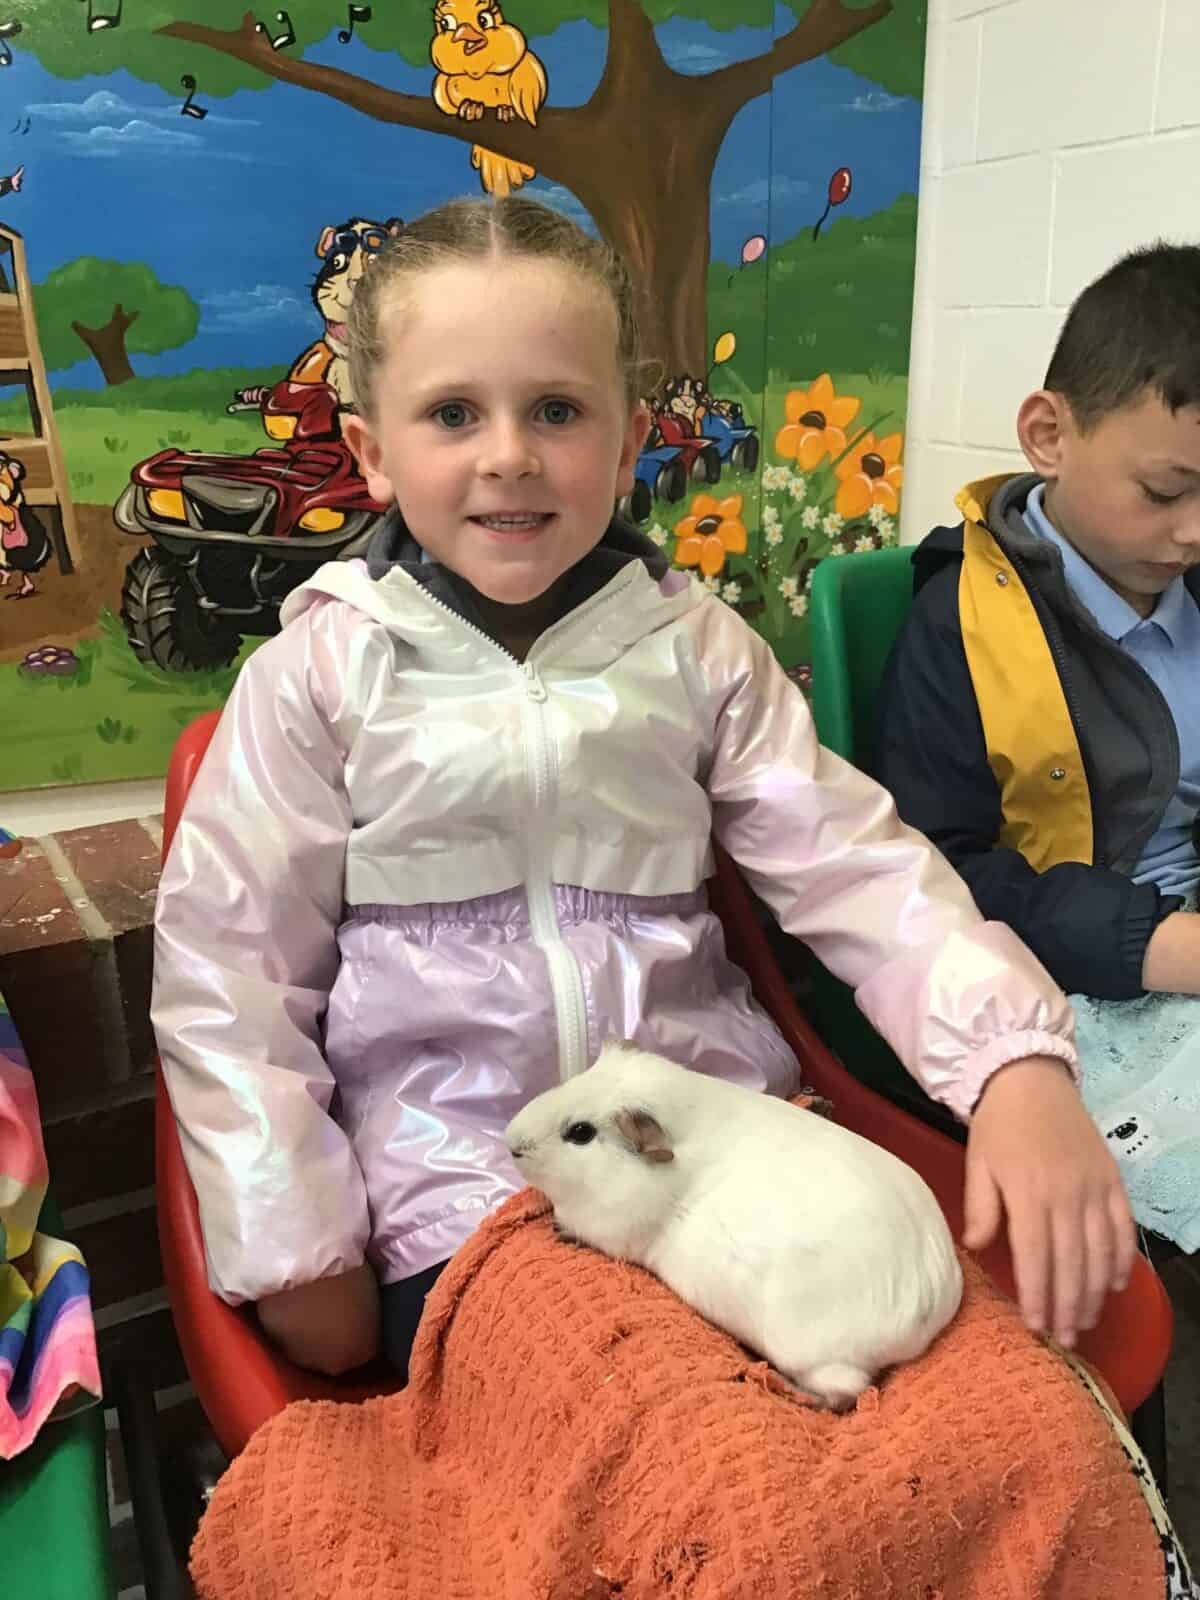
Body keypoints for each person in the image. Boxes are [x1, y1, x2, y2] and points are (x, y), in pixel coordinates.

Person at [151, 196, 1134, 1389]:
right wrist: (296, 1239)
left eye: (557, 411)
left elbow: (859, 869)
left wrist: (1014, 1061)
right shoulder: (314, 676)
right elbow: (230, 974)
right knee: (667, 1425)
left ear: (627, 446)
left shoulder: (700, 653)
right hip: (464, 1191)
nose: (509, 454)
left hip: (722, 1153)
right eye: (453, 413)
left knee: (996, 1406)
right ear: (371, 451)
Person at [876, 243, 1200, 1251]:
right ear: (1049, 435)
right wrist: (1160, 945)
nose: (1195, 530)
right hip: (1073, 977)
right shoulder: (959, 624)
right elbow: (940, 877)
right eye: (1165, 491)